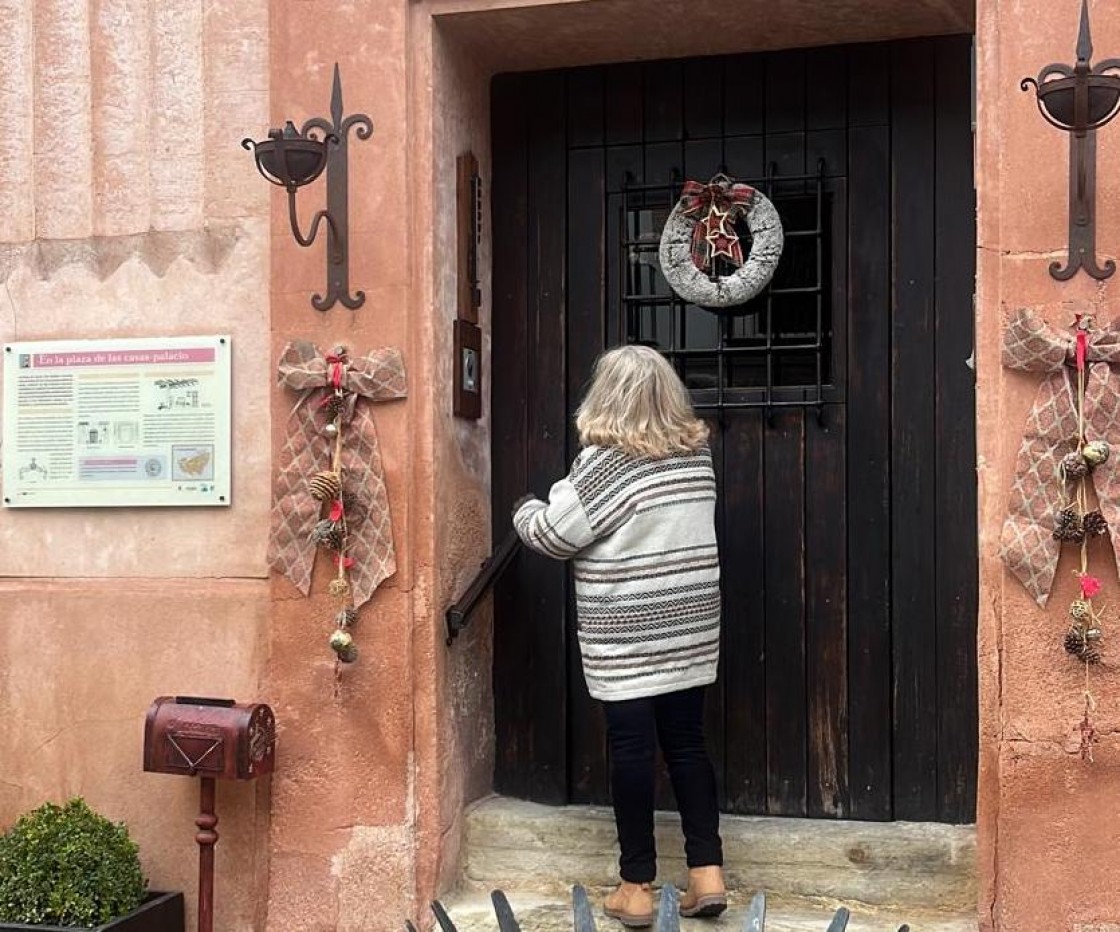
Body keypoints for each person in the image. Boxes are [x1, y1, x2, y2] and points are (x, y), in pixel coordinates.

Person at [512, 345, 726, 928]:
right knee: (686, 743)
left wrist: (525, 509)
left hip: (627, 630)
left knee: (631, 750)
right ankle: (707, 873)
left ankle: (636, 886)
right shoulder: (695, 458)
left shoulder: (605, 465)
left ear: (605, 397)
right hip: (688, 625)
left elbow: (556, 535)